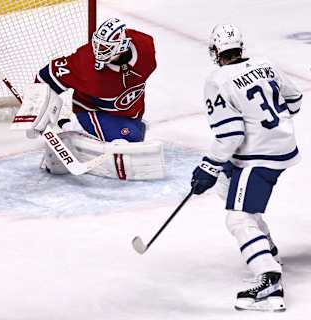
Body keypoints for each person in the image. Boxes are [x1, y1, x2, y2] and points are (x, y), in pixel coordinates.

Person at [190, 24, 303, 311]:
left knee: (238, 218)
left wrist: (208, 166)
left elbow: (230, 135)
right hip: (282, 148)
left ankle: (269, 282)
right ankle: (268, 251)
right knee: (227, 186)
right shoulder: (266, 65)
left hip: (258, 157)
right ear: (240, 47)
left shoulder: (218, 80)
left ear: (216, 52)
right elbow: (296, 100)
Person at [26, 17, 163, 180]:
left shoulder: (144, 47)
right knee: (130, 138)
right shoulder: (85, 62)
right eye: (97, 44)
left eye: (106, 48)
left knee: (137, 132)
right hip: (91, 111)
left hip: (129, 113)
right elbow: (46, 76)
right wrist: (34, 110)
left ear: (123, 45)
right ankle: (75, 126)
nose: (98, 51)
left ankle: (98, 133)